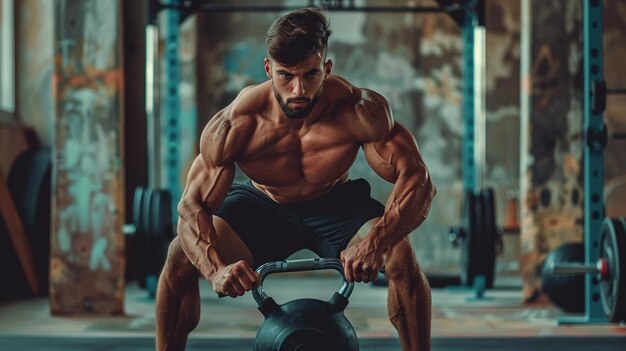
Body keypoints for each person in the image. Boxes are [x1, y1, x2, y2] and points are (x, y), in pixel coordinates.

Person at [156, 7, 436, 351]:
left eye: (310, 74)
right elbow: (192, 205)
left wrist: (376, 241)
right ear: (268, 68)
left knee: (401, 256)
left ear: (327, 69)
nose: (298, 89)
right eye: (286, 75)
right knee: (179, 255)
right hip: (263, 206)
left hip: (335, 203)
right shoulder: (237, 124)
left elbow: (418, 179)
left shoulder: (358, 111)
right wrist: (215, 270)